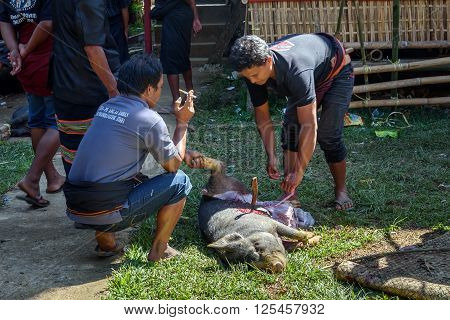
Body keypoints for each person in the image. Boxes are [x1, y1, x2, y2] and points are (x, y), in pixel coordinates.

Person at [63, 54, 198, 261]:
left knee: (128, 177)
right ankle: (159, 250)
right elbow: (173, 165)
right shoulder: (149, 119)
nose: (160, 92)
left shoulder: (105, 107)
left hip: (75, 205)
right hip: (104, 208)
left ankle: (107, 243)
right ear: (149, 89)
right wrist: (182, 123)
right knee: (180, 181)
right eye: (160, 87)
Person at [229, 34, 354, 211]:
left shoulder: (296, 70)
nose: (253, 81)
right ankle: (290, 193)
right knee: (291, 129)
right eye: (248, 77)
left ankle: (341, 190)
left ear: (268, 60)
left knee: (328, 135)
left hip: (336, 73)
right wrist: (271, 155)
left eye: (255, 75)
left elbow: (309, 127)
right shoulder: (252, 71)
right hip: (310, 72)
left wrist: (300, 171)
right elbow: (263, 117)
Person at [0, 0, 65, 207]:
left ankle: (51, 179)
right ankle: (32, 178)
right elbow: (47, 24)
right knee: (61, 120)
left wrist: (15, 51)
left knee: (37, 122)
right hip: (49, 58)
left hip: (25, 62)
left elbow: (4, 21)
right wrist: (25, 50)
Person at [52, 0, 120, 175]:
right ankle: (94, 199)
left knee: (73, 154)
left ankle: (76, 199)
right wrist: (114, 91)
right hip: (89, 88)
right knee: (97, 156)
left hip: (66, 84)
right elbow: (93, 48)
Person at [151, 0, 202, 107]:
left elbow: (191, 1)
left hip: (176, 17)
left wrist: (196, 19)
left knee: (171, 59)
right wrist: (195, 18)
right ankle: (190, 94)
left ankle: (177, 101)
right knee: (183, 56)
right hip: (180, 16)